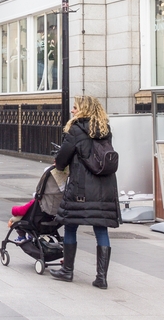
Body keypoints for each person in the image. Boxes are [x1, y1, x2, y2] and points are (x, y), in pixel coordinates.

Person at [50, 95, 119, 289]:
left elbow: (63, 158)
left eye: (75, 107)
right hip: (104, 186)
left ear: (84, 110)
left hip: (81, 185)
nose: (72, 110)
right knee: (101, 227)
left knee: (70, 224)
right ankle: (101, 278)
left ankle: (67, 270)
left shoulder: (75, 129)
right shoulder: (104, 128)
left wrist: (59, 163)